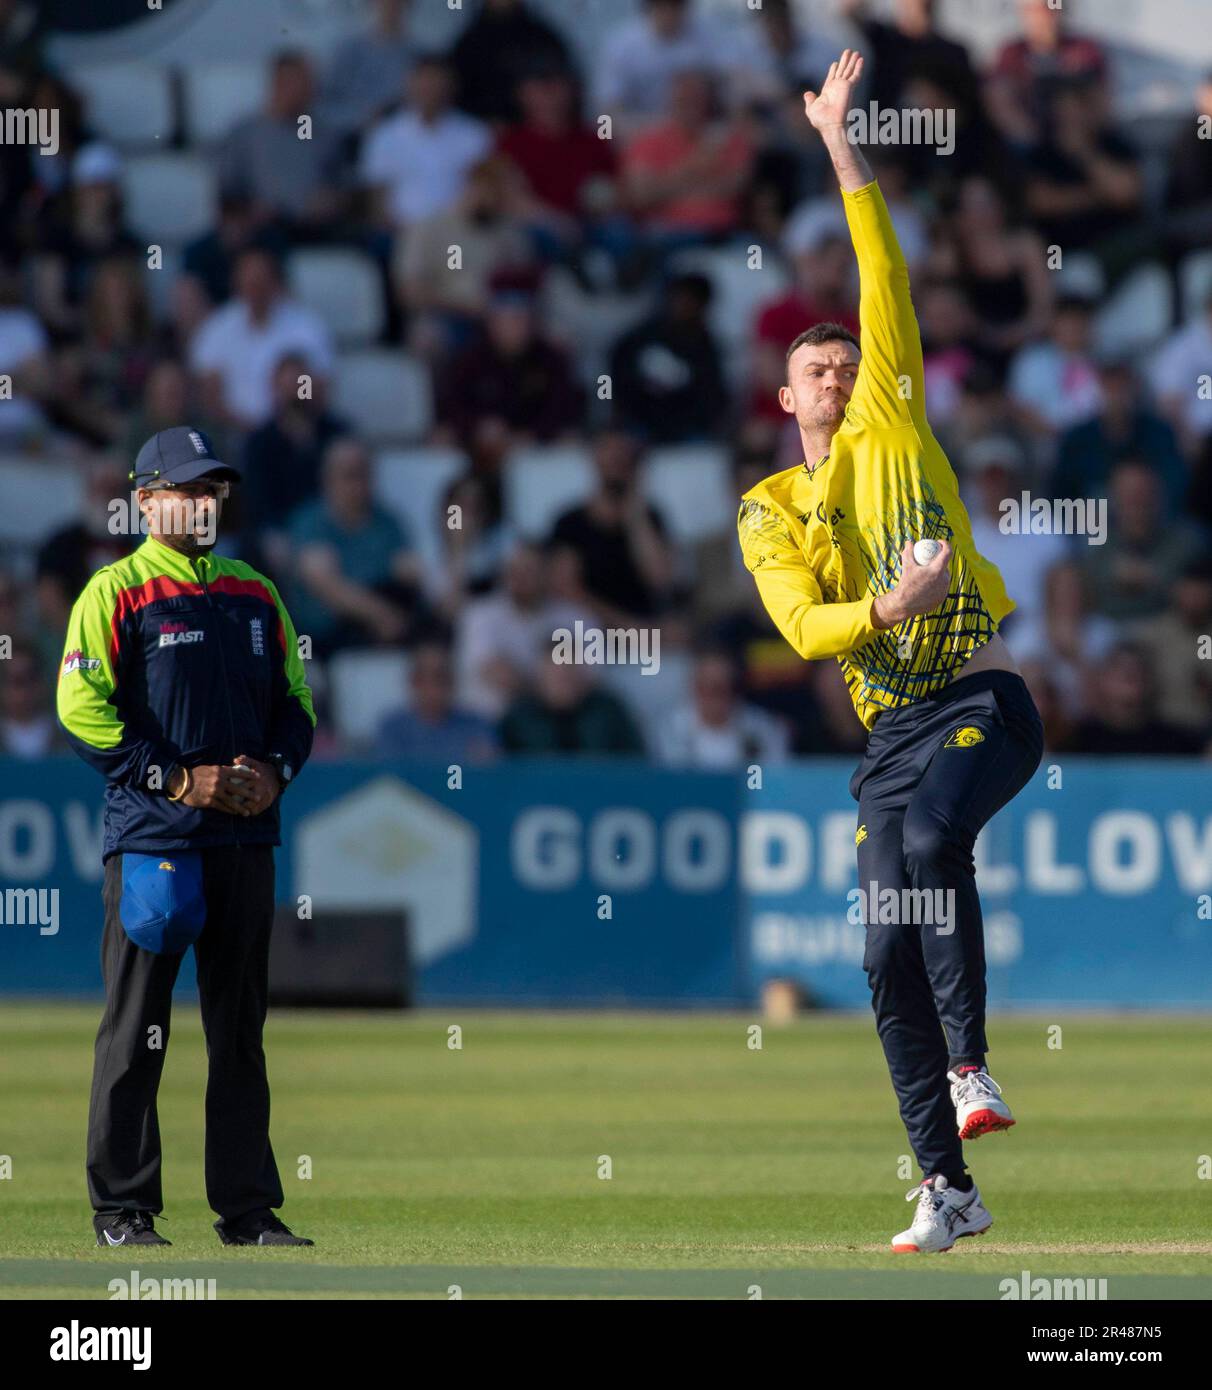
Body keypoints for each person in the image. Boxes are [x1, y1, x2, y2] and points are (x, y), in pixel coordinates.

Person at [737, 52, 1044, 1255]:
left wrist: (837, 143)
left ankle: (974, 1071)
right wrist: (886, 612)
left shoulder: (892, 414)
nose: (841, 374)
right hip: (889, 729)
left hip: (983, 697)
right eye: (818, 369)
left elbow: (879, 266)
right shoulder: (769, 507)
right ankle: (946, 1188)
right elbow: (802, 629)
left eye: (850, 362)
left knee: (929, 844)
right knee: (876, 952)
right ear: (783, 396)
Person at [56, 427, 316, 1249]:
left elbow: (297, 700)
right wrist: (174, 779)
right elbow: (81, 709)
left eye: (212, 491)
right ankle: (123, 1209)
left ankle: (246, 1210)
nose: (203, 505)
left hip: (244, 836)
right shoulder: (115, 591)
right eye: (187, 490)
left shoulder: (255, 592)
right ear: (145, 499)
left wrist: (276, 768)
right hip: (156, 840)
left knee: (238, 1031)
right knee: (136, 1027)